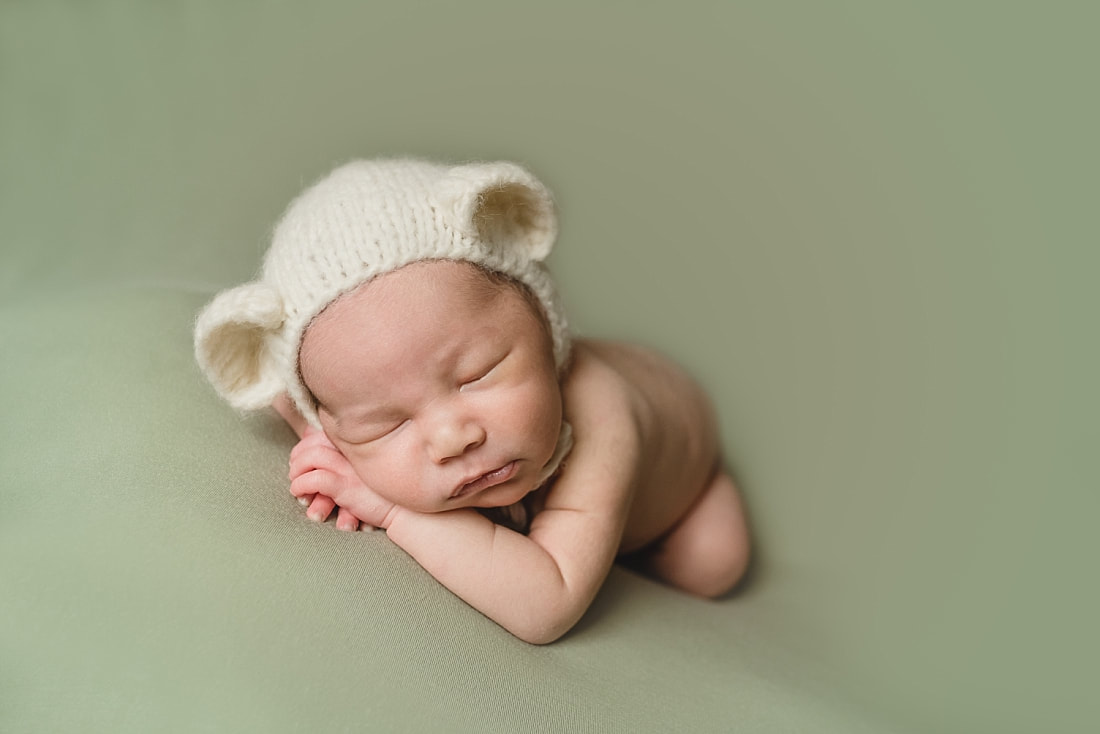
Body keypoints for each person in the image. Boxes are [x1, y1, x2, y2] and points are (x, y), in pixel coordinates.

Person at [194, 158, 751, 644]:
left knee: (713, 561)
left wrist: (392, 508)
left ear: (545, 331)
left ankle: (620, 534)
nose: (452, 438)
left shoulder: (606, 414)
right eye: (385, 425)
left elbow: (546, 604)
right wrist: (325, 439)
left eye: (476, 376)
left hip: (687, 472)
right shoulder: (359, 407)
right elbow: (305, 405)